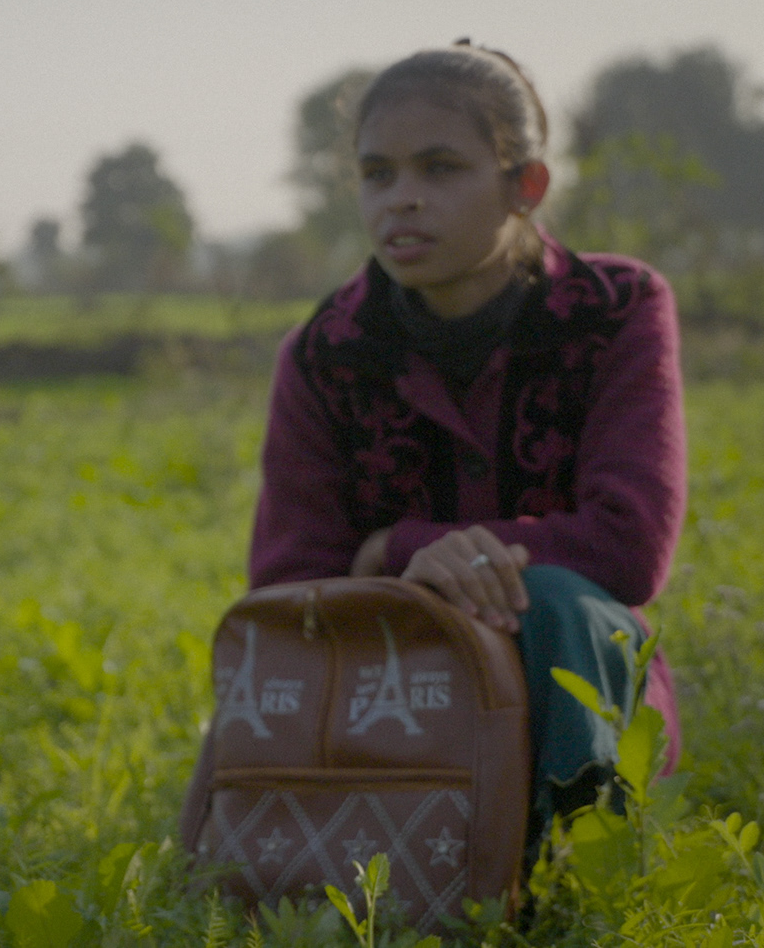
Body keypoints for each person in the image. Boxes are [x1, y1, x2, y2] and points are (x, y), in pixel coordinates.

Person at [241, 42, 682, 845]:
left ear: (527, 185)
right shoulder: (323, 352)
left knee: (559, 599)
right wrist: (409, 580)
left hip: (574, 677)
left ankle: (577, 859)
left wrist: (399, 546)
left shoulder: (615, 309)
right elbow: (284, 588)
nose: (402, 199)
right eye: (378, 173)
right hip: (394, 708)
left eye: (440, 168)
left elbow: (629, 546)